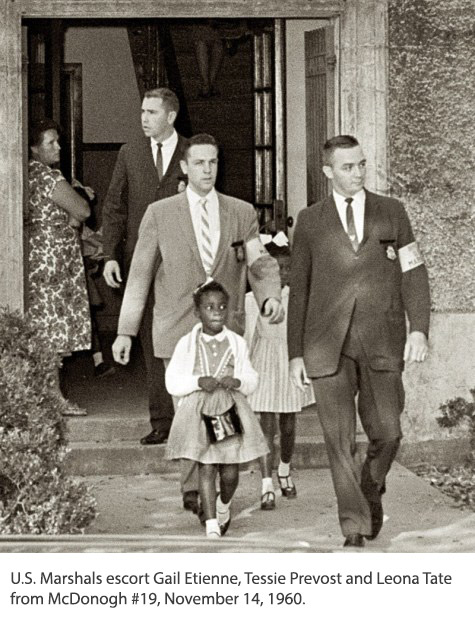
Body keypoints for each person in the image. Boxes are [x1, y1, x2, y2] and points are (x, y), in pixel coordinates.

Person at [112, 132, 283, 516]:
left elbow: (257, 261)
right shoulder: (160, 213)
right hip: (177, 329)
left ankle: (217, 486)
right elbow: (139, 274)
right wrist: (125, 330)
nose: (208, 170)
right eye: (200, 163)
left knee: (221, 406)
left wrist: (270, 294)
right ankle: (194, 489)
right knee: (188, 409)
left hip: (224, 331)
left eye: (214, 162)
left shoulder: (240, 212)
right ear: (185, 168)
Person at [288, 135, 431, 548]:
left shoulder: (392, 212)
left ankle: (371, 484)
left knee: (388, 432)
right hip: (325, 345)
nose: (358, 173)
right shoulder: (310, 220)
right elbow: (300, 289)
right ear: (328, 171)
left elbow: (413, 272)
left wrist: (418, 327)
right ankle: (353, 525)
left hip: (382, 339)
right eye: (348, 167)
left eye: (362, 165)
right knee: (338, 440)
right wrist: (295, 352)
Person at [102, 87, 187, 446]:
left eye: (151, 112)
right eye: (142, 111)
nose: (143, 118)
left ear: (170, 116)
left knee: (184, 339)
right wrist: (109, 254)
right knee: (152, 340)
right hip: (143, 260)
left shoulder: (193, 153)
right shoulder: (130, 152)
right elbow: (114, 207)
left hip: (185, 261)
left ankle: (191, 419)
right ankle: (162, 421)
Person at [165, 281, 268, 538]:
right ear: (197, 312)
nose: (217, 312)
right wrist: (197, 381)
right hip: (199, 413)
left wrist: (239, 382)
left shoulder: (236, 343)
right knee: (207, 466)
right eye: (209, 307)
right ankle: (211, 525)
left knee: (230, 471)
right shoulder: (186, 344)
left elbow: (252, 378)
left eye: (222, 307)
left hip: (227, 411)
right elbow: (172, 381)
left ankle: (224, 504)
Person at [244, 234, 315, 511]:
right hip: (264, 363)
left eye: (288, 268)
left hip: (289, 361)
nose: (283, 274)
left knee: (288, 424)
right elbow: (250, 338)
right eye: (278, 269)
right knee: (267, 426)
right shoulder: (254, 300)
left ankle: (284, 468)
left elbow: (307, 333)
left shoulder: (299, 298)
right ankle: (266, 483)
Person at [28, 119, 92, 416]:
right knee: (53, 326)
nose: (58, 147)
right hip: (53, 256)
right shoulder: (48, 176)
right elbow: (82, 209)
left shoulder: (27, 175)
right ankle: (54, 398)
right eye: (50, 143)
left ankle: (45, 395)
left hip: (38, 254)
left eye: (58, 141)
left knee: (44, 325)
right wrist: (74, 218)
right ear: (34, 148)